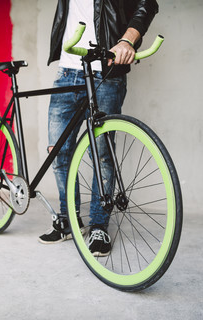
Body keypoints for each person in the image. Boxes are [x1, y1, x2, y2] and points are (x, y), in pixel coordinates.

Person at [38, 0, 159, 256]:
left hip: (106, 72)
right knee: (59, 153)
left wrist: (127, 40)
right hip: (67, 71)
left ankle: (99, 226)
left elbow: (147, 3)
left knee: (102, 153)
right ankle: (68, 218)